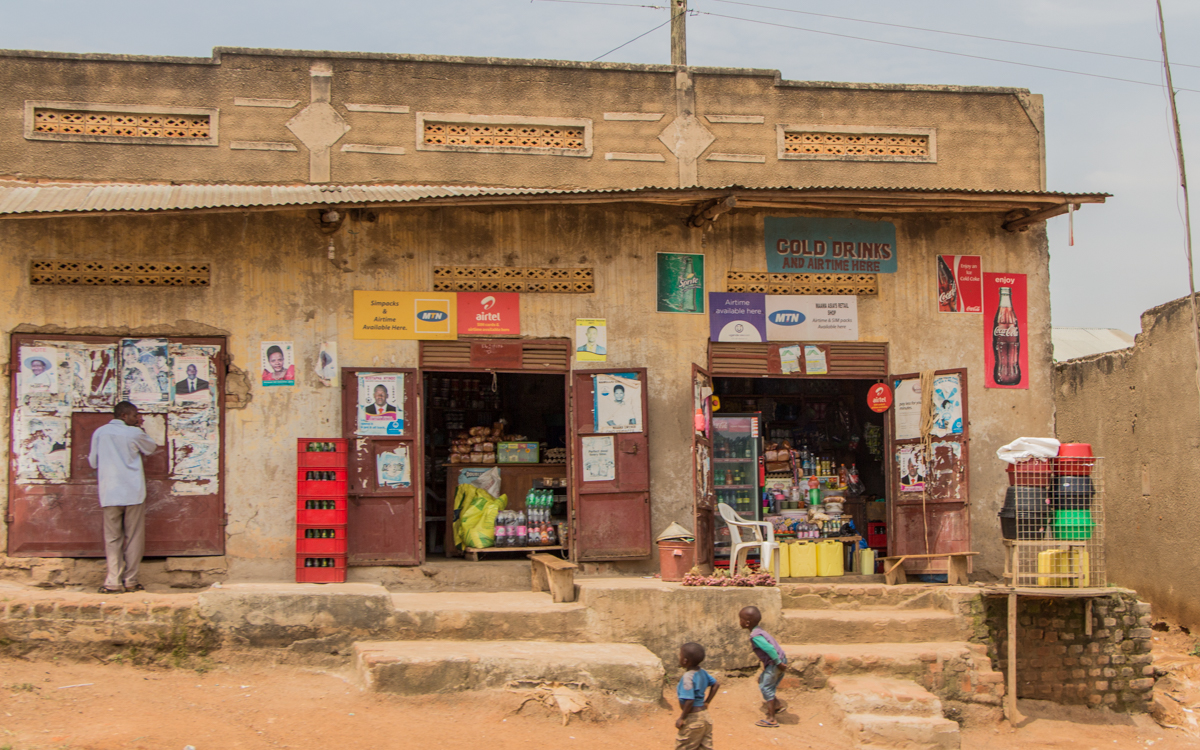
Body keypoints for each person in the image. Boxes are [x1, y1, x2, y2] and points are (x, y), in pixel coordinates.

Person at [88, 401, 158, 594]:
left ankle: (113, 581)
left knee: (112, 538)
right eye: (135, 415)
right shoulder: (134, 433)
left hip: (110, 492)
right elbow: (151, 448)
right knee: (134, 536)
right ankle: (131, 580)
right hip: (132, 492)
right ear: (125, 416)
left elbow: (93, 462)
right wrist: (140, 430)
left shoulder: (100, 433)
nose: (138, 418)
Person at [739, 605, 788, 728]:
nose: (739, 621)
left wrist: (778, 663)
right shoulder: (759, 631)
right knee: (762, 680)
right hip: (779, 660)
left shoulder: (755, 636)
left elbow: (770, 649)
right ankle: (776, 704)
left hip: (776, 663)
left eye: (741, 619)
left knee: (766, 687)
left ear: (747, 623)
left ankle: (771, 719)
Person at [675, 642, 719, 750]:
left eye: (680, 655)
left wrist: (682, 717)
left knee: (684, 746)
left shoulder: (687, 677)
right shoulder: (702, 672)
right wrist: (707, 701)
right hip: (705, 718)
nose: (679, 657)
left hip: (693, 719)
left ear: (685, 660)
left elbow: (690, 700)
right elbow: (716, 684)